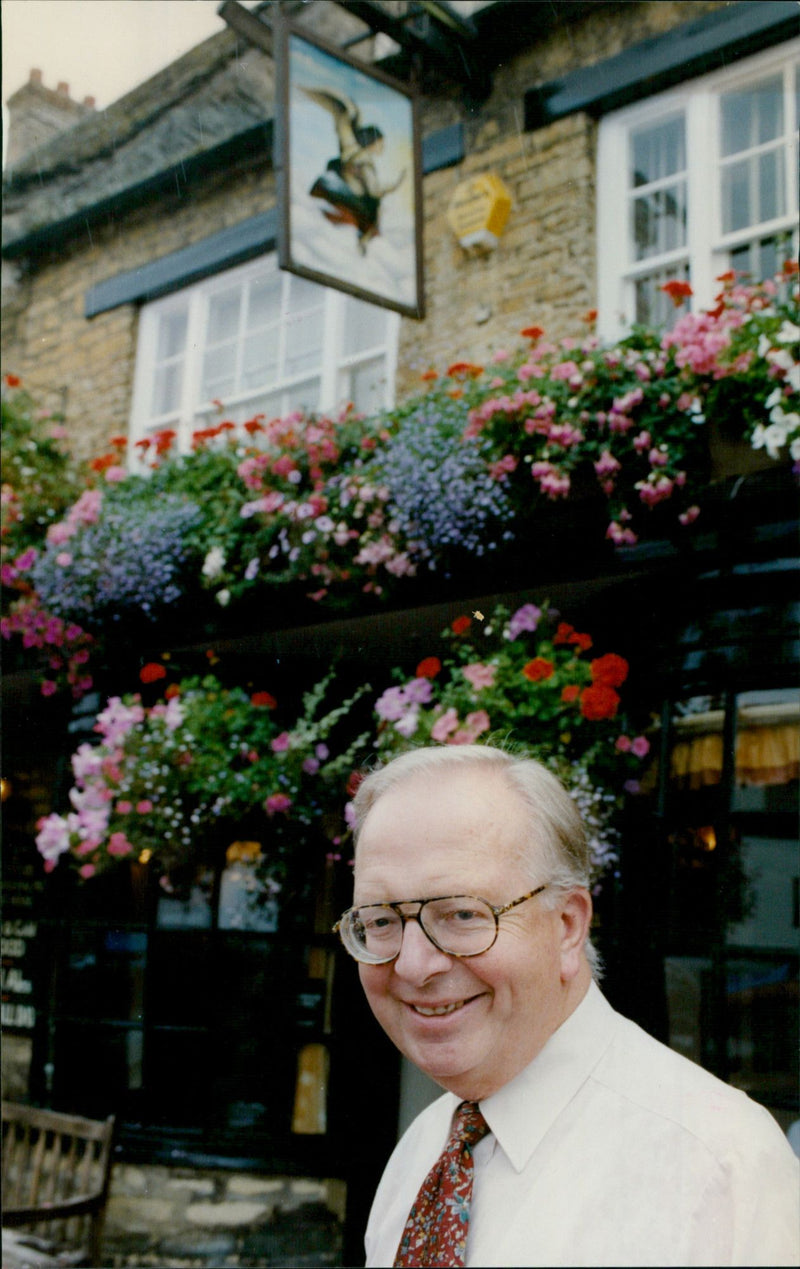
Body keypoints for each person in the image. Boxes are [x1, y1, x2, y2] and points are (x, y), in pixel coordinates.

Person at [335, 744, 800, 1267]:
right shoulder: (420, 1153)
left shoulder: (719, 1163)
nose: (414, 966)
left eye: (462, 914)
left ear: (568, 926)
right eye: (379, 921)